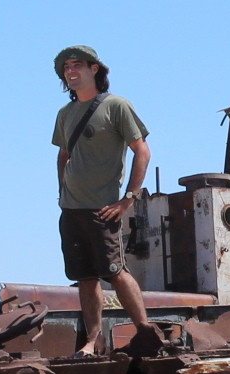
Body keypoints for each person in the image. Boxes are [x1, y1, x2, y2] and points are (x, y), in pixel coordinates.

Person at [50, 45, 158, 355]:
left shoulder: (116, 106)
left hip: (103, 208)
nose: (71, 72)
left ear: (94, 69)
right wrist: (62, 191)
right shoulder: (65, 114)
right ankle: (91, 341)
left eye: (77, 65)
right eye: (66, 68)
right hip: (71, 210)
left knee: (114, 270)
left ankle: (145, 332)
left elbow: (143, 151)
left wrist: (129, 199)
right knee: (84, 276)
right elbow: (63, 154)